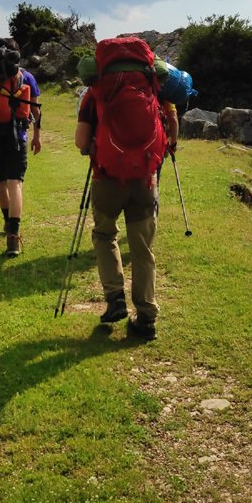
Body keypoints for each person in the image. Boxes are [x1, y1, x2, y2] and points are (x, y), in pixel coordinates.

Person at [74, 52, 178, 340]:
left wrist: (92, 148)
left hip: (107, 178)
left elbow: (82, 141)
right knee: (142, 249)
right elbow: (171, 126)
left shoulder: (94, 93)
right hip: (145, 179)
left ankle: (115, 299)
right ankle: (146, 318)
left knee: (105, 235)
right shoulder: (154, 89)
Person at [0, 38, 42, 257]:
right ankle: (14, 237)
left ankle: (6, 221)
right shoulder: (26, 77)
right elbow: (36, 112)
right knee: (16, 185)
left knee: (0, 182)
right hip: (17, 137)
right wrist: (37, 136)